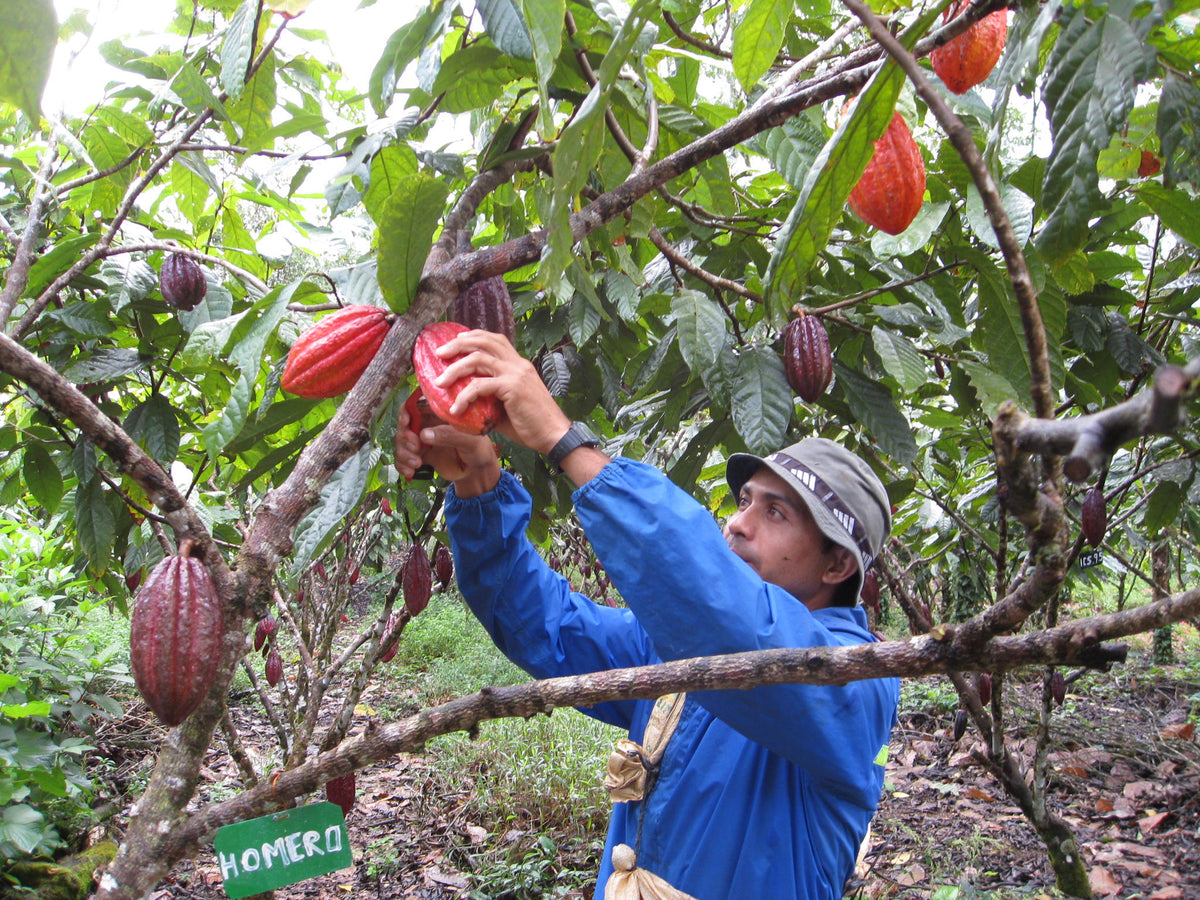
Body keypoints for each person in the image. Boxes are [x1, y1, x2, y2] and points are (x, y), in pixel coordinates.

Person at [394, 329, 900, 900]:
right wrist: (477, 482)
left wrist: (566, 442)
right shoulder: (671, 649)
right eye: (744, 502)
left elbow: (733, 623)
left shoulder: (858, 682)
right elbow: (543, 626)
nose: (737, 523)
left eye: (776, 512)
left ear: (836, 564)